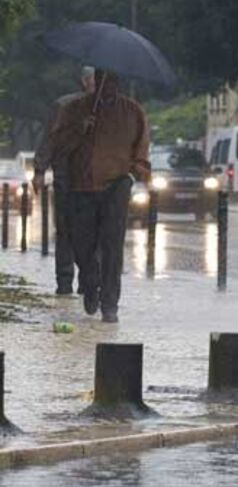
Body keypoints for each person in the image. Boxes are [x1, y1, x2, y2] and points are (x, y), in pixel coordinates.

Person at [49, 70, 150, 323]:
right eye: (105, 79)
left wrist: (138, 170)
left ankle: (110, 303)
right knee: (82, 244)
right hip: (81, 186)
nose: (109, 85)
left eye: (115, 80)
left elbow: (142, 147)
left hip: (117, 185)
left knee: (112, 245)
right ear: (95, 80)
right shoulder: (74, 109)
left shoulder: (133, 111)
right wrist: (79, 130)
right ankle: (90, 280)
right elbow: (57, 146)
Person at [33, 66, 96, 295]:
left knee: (94, 232)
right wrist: (39, 170)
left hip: (96, 180)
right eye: (92, 79)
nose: (95, 84)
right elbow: (50, 138)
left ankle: (89, 282)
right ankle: (65, 282)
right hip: (66, 176)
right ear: (84, 81)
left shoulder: (111, 109)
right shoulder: (65, 106)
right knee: (66, 230)